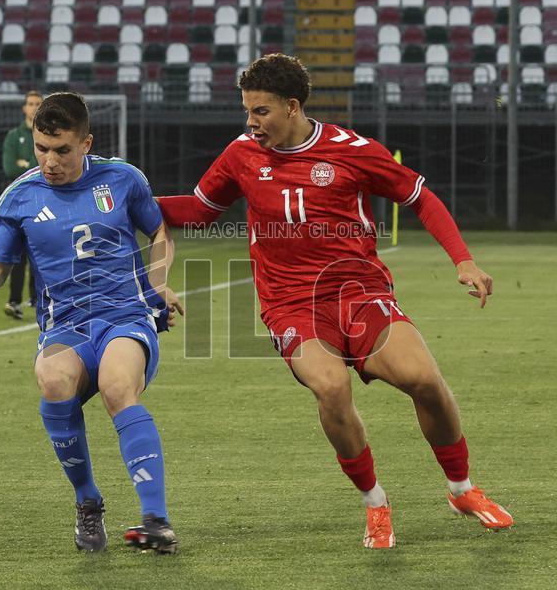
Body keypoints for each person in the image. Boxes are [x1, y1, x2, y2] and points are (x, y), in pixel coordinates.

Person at [156, 54, 512, 549]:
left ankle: (462, 489)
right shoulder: (240, 155)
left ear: (293, 106)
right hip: (290, 302)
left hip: (359, 292)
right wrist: (133, 202)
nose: (250, 123)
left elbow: (420, 198)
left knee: (425, 381)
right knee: (331, 387)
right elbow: (197, 211)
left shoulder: (352, 149)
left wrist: (463, 260)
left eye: (261, 112)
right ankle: (376, 504)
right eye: (247, 111)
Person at [0, 92, 184, 554]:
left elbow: (160, 233)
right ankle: (88, 503)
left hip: (124, 316)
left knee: (116, 385)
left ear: (85, 143)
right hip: (65, 325)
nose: (50, 161)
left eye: (62, 150)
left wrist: (159, 283)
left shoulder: (123, 179)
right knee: (52, 379)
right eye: (41, 148)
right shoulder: (19, 198)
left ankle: (156, 520)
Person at [0, 91, 42, 319]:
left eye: (38, 104)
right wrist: (32, 165)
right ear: (24, 108)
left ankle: (37, 299)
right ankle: (14, 300)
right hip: (19, 201)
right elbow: (9, 169)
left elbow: (42, 168)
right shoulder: (14, 136)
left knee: (39, 248)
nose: (34, 107)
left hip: (42, 199)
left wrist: (24, 164)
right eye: (30, 103)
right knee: (17, 253)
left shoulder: (47, 134)